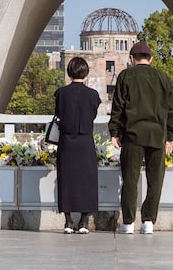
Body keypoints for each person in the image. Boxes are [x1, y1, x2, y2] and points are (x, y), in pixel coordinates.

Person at [109, 41, 173, 235]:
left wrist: (115, 132)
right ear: (151, 59)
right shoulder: (162, 78)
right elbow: (171, 110)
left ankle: (128, 222)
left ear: (131, 58)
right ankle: (148, 221)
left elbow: (118, 107)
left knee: (130, 180)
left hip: (132, 135)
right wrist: (171, 136)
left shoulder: (125, 76)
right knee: (155, 180)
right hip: (157, 135)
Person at [54, 57, 102, 234]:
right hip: (85, 141)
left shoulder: (61, 93)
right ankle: (83, 221)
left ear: (69, 72)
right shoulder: (93, 95)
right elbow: (93, 114)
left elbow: (58, 113)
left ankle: (67, 221)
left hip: (66, 140)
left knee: (66, 179)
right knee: (86, 180)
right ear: (86, 72)